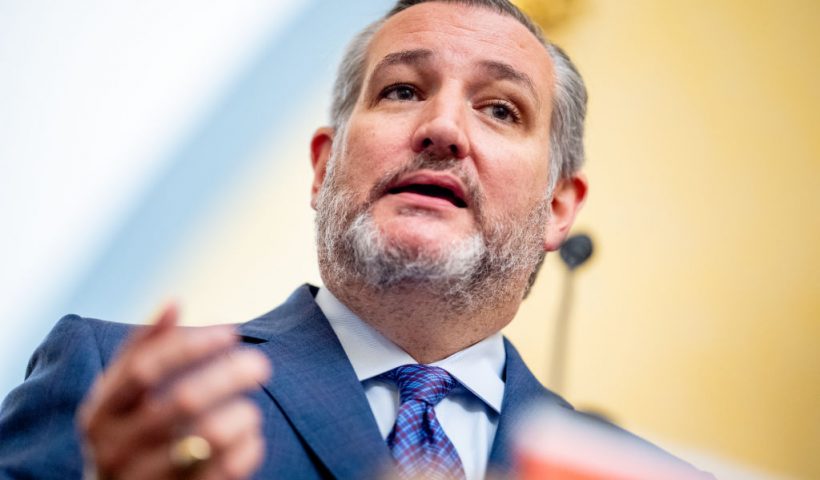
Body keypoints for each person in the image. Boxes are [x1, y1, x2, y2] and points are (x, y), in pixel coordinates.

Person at [0, 1, 711, 479]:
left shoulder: (625, 470)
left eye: (499, 108)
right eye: (402, 90)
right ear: (323, 167)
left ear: (559, 207)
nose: (443, 129)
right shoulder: (122, 387)